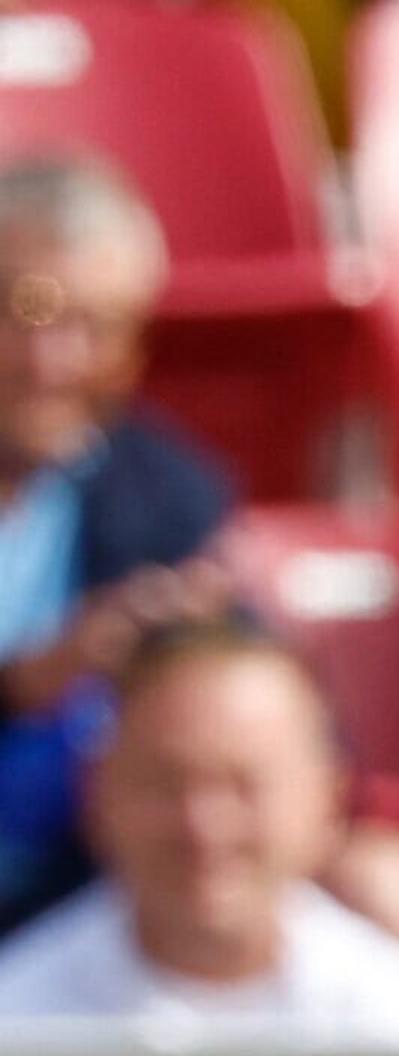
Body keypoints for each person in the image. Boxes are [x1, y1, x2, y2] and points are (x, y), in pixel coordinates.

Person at [0, 622, 399, 1045]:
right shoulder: (19, 1029)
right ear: (98, 792)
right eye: (166, 782)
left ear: (329, 796)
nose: (204, 826)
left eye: (245, 785)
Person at [0, 154, 235, 934]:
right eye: (24, 313)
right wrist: (21, 689)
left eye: (94, 327)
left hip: (96, 902)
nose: (51, 362)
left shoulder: (169, 498)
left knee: (381, 882)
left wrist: (188, 669)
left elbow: (302, 740)